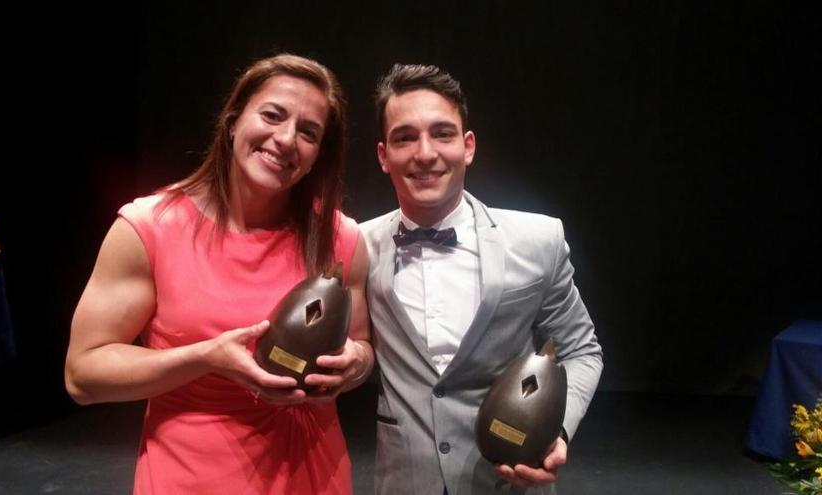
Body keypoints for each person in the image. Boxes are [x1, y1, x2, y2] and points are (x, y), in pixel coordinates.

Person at [64, 54, 374, 495]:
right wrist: (205, 358)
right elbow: (82, 376)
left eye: (309, 132)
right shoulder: (150, 228)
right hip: (192, 478)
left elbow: (360, 346)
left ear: (317, 156)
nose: (286, 139)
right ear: (232, 122)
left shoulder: (340, 238)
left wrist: (355, 365)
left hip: (314, 477)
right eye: (272, 115)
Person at [360, 63, 603, 494]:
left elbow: (581, 350)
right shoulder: (358, 246)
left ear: (468, 145)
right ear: (383, 155)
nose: (425, 153)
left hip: (508, 482)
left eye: (442, 133)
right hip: (403, 482)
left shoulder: (537, 241)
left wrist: (556, 433)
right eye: (405, 137)